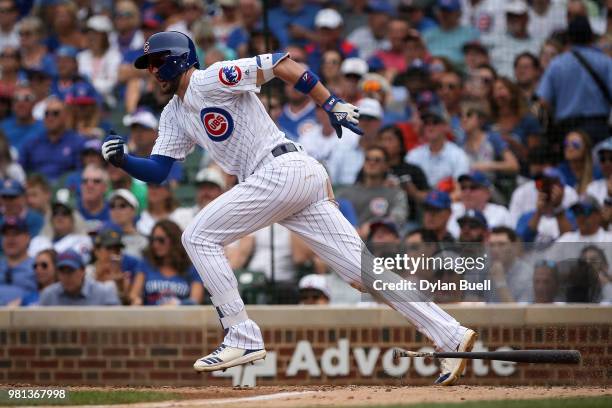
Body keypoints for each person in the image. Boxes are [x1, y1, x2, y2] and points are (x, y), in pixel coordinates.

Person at [101, 31, 477, 384]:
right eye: (148, 65)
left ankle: (241, 334)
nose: (151, 71)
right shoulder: (172, 114)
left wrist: (330, 102)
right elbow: (157, 171)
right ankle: (450, 334)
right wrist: (124, 162)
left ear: (179, 60)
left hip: (280, 169)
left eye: (156, 62)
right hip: (287, 180)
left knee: (197, 237)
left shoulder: (210, 78)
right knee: (363, 274)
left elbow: (280, 63)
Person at [537, 16, 612, 146]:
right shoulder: (605, 62)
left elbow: (543, 101)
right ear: (591, 37)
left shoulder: (557, 64)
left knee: (571, 164)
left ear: (569, 39)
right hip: (598, 127)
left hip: (567, 128)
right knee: (599, 165)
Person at [129, 220, 203, 306]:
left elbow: (195, 300)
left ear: (174, 241)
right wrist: (136, 300)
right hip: (151, 316)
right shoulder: (145, 264)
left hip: (180, 317)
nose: (155, 245)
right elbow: (133, 294)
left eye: (161, 240)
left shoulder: (190, 268)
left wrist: (178, 304)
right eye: (153, 240)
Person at [337, 146, 408, 234]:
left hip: (380, 243)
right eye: (368, 159)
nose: (371, 163)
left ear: (386, 166)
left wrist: (373, 226)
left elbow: (398, 219)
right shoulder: (345, 193)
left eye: (377, 160)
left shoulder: (395, 194)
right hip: (347, 240)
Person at [19, 97, 85, 183]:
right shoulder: (32, 142)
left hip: (65, 190)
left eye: (55, 113)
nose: (50, 117)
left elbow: (81, 172)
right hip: (37, 189)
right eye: (47, 114)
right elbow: (20, 169)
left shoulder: (77, 142)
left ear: (65, 116)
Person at [405, 110, 470, 189]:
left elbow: (461, 187)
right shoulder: (414, 155)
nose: (430, 127)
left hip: (448, 199)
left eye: (435, 123)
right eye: (426, 124)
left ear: (446, 126)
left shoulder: (457, 155)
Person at [483, 0, 543, 79]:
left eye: (517, 17)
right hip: (498, 86)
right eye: (510, 16)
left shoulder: (538, 44)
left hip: (524, 87)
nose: (513, 20)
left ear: (526, 19)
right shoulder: (494, 39)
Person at [39, 249, 120, 306]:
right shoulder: (48, 295)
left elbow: (118, 325)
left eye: (71, 271)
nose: (66, 276)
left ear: (83, 271)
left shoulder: (104, 293)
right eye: (62, 271)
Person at [448, 171, 512, 238]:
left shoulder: (501, 213)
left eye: (473, 187)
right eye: (463, 188)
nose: (467, 192)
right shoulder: (451, 209)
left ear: (487, 192)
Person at [77, 15, 123, 108]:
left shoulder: (115, 56)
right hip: (82, 101)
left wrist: (90, 83)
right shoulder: (81, 57)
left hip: (107, 104)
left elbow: (111, 83)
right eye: (89, 33)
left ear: (105, 36)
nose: (91, 37)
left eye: (96, 34)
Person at [86, 228, 139, 305]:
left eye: (117, 250)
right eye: (109, 249)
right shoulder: (86, 272)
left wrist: (120, 286)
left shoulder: (123, 275)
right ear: (96, 251)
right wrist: (98, 278)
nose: (113, 253)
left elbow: (128, 306)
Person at [423, 0, 479, 69]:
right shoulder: (427, 34)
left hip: (459, 73)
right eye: (442, 11)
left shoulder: (470, 34)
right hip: (432, 72)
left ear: (459, 13)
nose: (444, 15)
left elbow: (475, 58)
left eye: (449, 12)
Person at [486, 226, 531, 303]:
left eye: (501, 244)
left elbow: (520, 314)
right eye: (492, 245)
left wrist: (500, 283)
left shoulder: (527, 275)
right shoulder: (485, 268)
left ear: (514, 246)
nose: (495, 250)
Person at [0, 217, 35, 306]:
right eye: (6, 234)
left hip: (25, 316)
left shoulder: (38, 265)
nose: (10, 238)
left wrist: (25, 301)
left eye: (15, 234)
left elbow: (46, 293)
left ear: (27, 238)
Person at [0, 84, 45, 152]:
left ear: (34, 103)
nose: (21, 104)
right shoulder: (3, 127)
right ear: (12, 104)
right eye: (17, 99)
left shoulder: (44, 128)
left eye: (27, 99)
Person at [557, 130, 601, 195]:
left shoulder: (597, 173)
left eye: (575, 144)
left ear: (586, 149)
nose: (570, 148)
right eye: (566, 143)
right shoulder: (559, 172)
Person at [108, 189, 147, 258]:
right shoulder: (104, 238)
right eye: (112, 206)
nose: (116, 210)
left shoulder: (144, 241)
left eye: (122, 206)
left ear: (133, 210)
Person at [77, 164, 111, 233]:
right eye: (85, 181)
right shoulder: (72, 211)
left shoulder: (115, 211)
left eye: (96, 181)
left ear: (106, 187)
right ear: (81, 186)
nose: (89, 185)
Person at [587, 138, 612, 205]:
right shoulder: (593, 187)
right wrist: (609, 197)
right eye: (602, 159)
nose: (607, 163)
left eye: (611, 159)